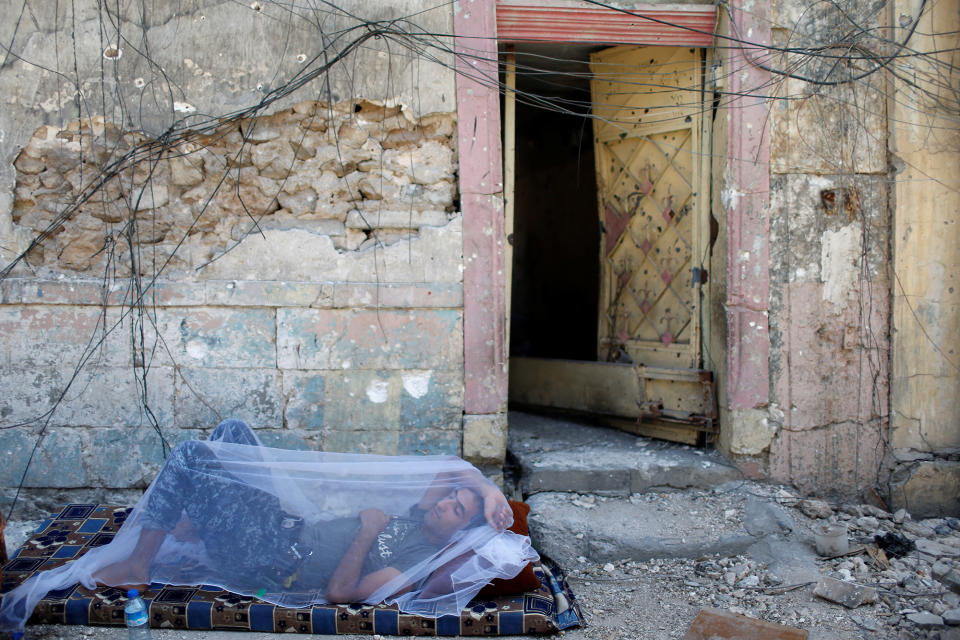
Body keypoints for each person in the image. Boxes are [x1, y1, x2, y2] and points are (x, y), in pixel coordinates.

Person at [91, 420, 514, 603]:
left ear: (459, 531)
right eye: (450, 497)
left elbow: (340, 594)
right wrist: (487, 490)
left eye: (456, 508)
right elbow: (450, 468)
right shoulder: (422, 512)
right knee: (233, 433)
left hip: (268, 561)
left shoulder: (416, 563)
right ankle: (198, 524)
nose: (443, 502)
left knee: (188, 456)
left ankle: (138, 564)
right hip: (279, 527)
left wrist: (367, 532)